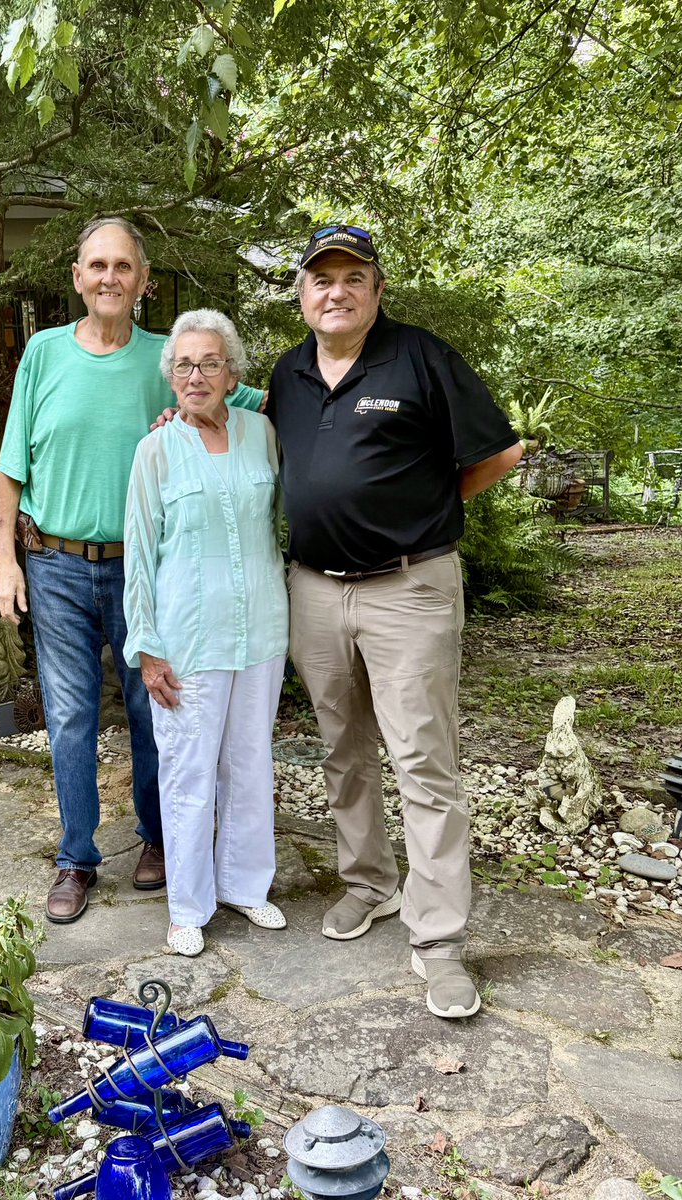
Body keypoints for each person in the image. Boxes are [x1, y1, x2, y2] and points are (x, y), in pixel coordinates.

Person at [267, 224, 523, 1018]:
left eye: (351, 278)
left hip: (408, 589)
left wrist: (426, 515)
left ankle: (438, 941)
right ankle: (368, 884)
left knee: (422, 763)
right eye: (320, 279)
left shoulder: (419, 357)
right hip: (313, 589)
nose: (334, 291)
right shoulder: (288, 373)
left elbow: (499, 453)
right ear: (302, 294)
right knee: (342, 751)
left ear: (376, 290)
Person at [0, 219, 263, 924]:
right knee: (72, 716)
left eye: (123, 266)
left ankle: (158, 839)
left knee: (154, 709)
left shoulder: (167, 359)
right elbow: (10, 465)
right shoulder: (43, 353)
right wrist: (3, 562)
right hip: (53, 563)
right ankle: (76, 858)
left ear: (143, 283)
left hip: (147, 570)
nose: (109, 277)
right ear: (78, 278)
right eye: (97, 265)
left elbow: (243, 401)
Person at [124, 310, 288, 957]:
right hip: (186, 641)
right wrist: (146, 648)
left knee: (249, 765)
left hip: (261, 634)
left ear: (231, 374)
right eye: (183, 365)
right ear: (170, 377)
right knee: (188, 775)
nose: (195, 375)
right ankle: (188, 906)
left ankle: (246, 885)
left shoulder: (262, 435)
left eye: (208, 363)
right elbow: (138, 556)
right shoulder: (154, 450)